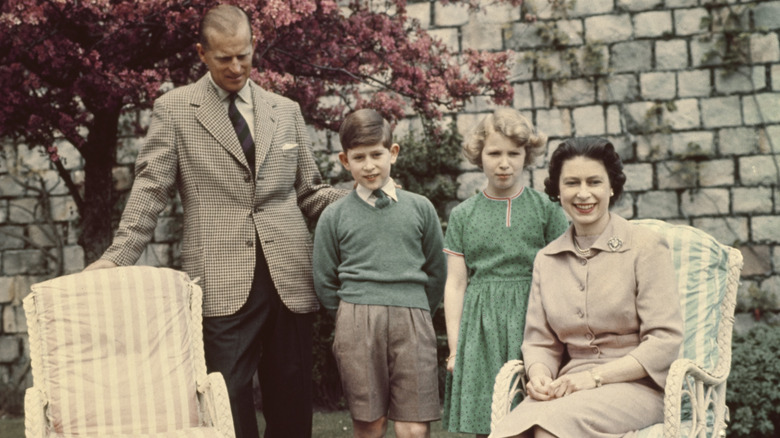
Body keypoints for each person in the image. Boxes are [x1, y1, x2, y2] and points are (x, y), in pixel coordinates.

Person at [84, 5, 346, 438]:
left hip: (291, 278)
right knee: (226, 400)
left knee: (292, 400)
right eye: (224, 58)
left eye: (244, 55)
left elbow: (312, 192)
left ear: (253, 45)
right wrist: (117, 257)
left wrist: (365, 204)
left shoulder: (286, 110)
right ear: (202, 53)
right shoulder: (175, 110)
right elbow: (151, 190)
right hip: (220, 281)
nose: (237, 66)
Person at [490, 137, 684, 438]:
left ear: (611, 187)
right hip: (567, 387)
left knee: (547, 430)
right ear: (558, 190)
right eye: (571, 183)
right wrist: (539, 375)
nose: (583, 194)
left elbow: (664, 340)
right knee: (510, 434)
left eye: (594, 182)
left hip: (638, 387)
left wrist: (595, 377)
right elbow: (540, 341)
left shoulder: (644, 247)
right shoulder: (547, 258)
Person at [312, 108, 447, 438]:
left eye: (377, 154)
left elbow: (437, 269)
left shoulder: (420, 207)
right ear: (345, 161)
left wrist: (416, 308)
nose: (369, 165)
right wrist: (350, 312)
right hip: (357, 320)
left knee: (414, 426)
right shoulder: (334, 215)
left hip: (413, 317)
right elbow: (324, 277)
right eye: (359, 157)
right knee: (369, 423)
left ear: (393, 153)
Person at [442, 108, 569, 437]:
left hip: (532, 320)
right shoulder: (463, 215)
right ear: (478, 155)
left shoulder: (546, 210)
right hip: (481, 326)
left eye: (514, 153)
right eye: (494, 153)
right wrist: (456, 348)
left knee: (535, 411)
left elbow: (562, 277)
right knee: (488, 419)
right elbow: (456, 284)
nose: (504, 162)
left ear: (526, 156)